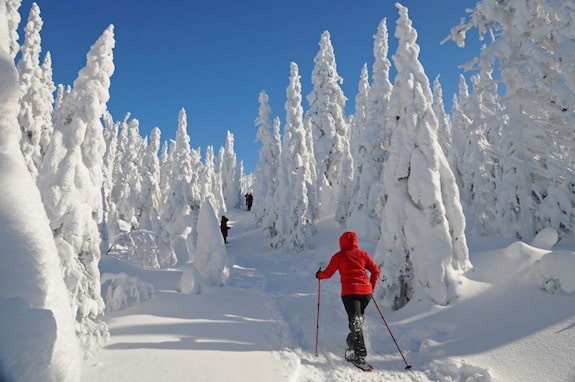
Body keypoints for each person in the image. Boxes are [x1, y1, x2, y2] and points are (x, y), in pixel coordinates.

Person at [315, 231, 380, 362]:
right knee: (357, 319)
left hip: (350, 293)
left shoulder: (339, 256)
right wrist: (371, 286)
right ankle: (352, 342)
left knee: (355, 321)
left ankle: (359, 352)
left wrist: (319, 275)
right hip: (366, 293)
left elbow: (327, 274)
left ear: (341, 242)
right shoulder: (363, 254)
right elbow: (375, 270)